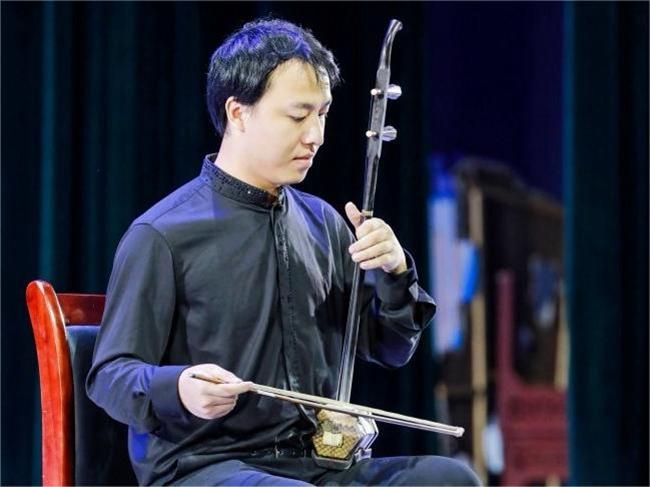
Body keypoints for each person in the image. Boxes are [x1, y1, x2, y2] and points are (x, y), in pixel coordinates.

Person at [86, 18, 480, 486]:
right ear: (238, 113)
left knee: (449, 478)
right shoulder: (162, 234)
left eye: (323, 114)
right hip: (206, 467)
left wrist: (395, 275)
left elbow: (389, 350)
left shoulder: (323, 223)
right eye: (298, 116)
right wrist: (180, 388)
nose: (316, 135)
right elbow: (110, 375)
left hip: (314, 464)